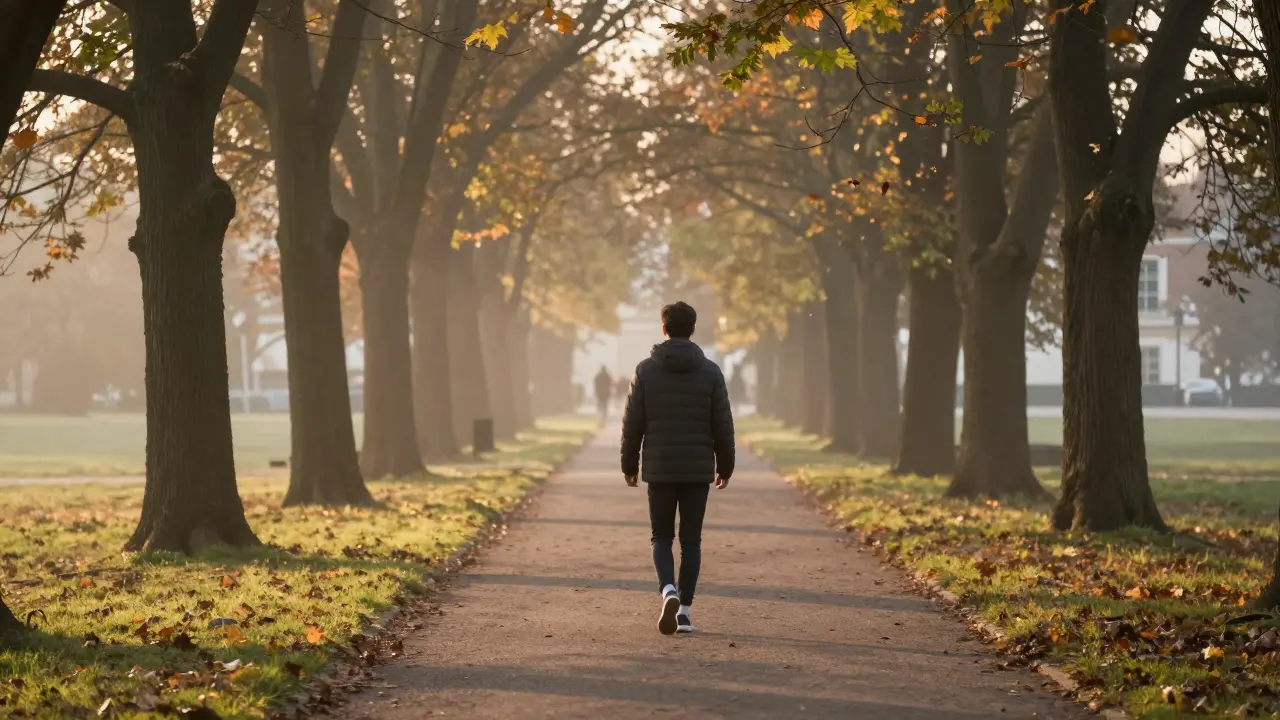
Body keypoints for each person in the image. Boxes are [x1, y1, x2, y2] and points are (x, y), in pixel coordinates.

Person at [620, 301, 735, 636]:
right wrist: (725, 467)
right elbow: (722, 425)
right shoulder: (711, 372)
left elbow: (633, 424)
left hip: (659, 468)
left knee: (661, 536)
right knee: (691, 541)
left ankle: (667, 589)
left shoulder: (645, 370)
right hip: (698, 469)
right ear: (693, 329)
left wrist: (629, 465)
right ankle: (683, 611)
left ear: (664, 328)